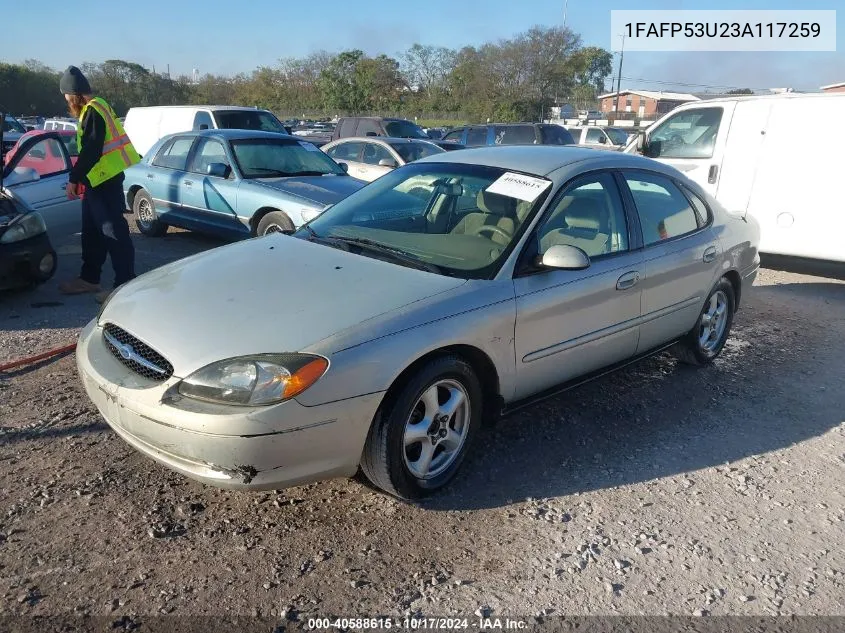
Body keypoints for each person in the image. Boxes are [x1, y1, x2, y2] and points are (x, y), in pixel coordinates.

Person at [57, 65, 141, 303]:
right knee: (92, 231)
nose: (65, 100)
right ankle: (89, 278)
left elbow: (92, 150)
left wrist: (74, 178)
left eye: (65, 96)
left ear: (73, 95)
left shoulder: (93, 111)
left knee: (113, 231)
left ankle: (124, 284)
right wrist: (83, 178)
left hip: (106, 180)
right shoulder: (98, 106)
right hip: (98, 180)